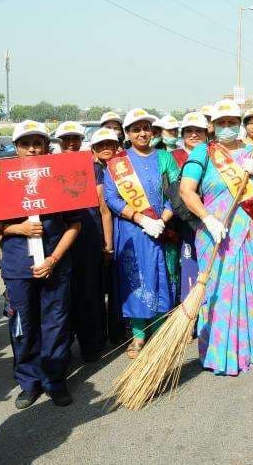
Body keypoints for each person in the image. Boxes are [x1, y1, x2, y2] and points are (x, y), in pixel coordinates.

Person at [179, 99, 253, 375]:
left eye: (232, 122)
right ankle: (215, 351)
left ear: (240, 125)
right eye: (221, 123)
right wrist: (207, 218)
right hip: (214, 233)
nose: (226, 127)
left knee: (247, 288)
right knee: (217, 288)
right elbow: (187, 190)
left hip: (249, 232)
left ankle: (245, 349)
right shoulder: (203, 152)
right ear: (212, 126)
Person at [0, 120, 80, 408]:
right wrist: (19, 229)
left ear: (45, 146)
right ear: (16, 148)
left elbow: (74, 225)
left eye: (37, 143)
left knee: (55, 324)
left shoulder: (59, 177)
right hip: (18, 268)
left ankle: (55, 380)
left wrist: (53, 259)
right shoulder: (1, 179)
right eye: (25, 143)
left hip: (54, 265)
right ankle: (28, 381)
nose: (32, 149)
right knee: (22, 326)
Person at [103, 109, 179, 359]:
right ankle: (138, 335)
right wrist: (139, 217)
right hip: (132, 232)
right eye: (136, 129)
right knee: (136, 281)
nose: (142, 133)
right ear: (127, 133)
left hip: (160, 230)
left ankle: (158, 331)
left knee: (160, 277)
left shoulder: (165, 158)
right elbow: (111, 197)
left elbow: (176, 194)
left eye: (146, 128)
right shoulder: (117, 164)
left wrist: (162, 219)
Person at [57, 121, 106, 361]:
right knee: (63, 296)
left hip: (88, 236)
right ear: (58, 143)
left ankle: (91, 344)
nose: (71, 143)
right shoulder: (50, 166)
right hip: (59, 239)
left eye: (75, 138)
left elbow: (103, 206)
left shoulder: (93, 166)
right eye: (66, 139)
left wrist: (107, 241)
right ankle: (62, 348)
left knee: (89, 293)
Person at [89, 128, 124, 345]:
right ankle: (102, 335)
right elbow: (104, 210)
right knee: (100, 288)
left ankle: (116, 332)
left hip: (121, 229)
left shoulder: (119, 168)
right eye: (101, 145)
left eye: (109, 144)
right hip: (102, 234)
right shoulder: (95, 170)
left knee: (115, 286)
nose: (106, 148)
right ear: (93, 149)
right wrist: (108, 245)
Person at [171, 111, 209, 301]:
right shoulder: (173, 157)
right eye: (189, 131)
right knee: (187, 269)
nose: (194, 135)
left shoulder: (214, 155)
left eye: (198, 131)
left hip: (210, 219)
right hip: (181, 222)